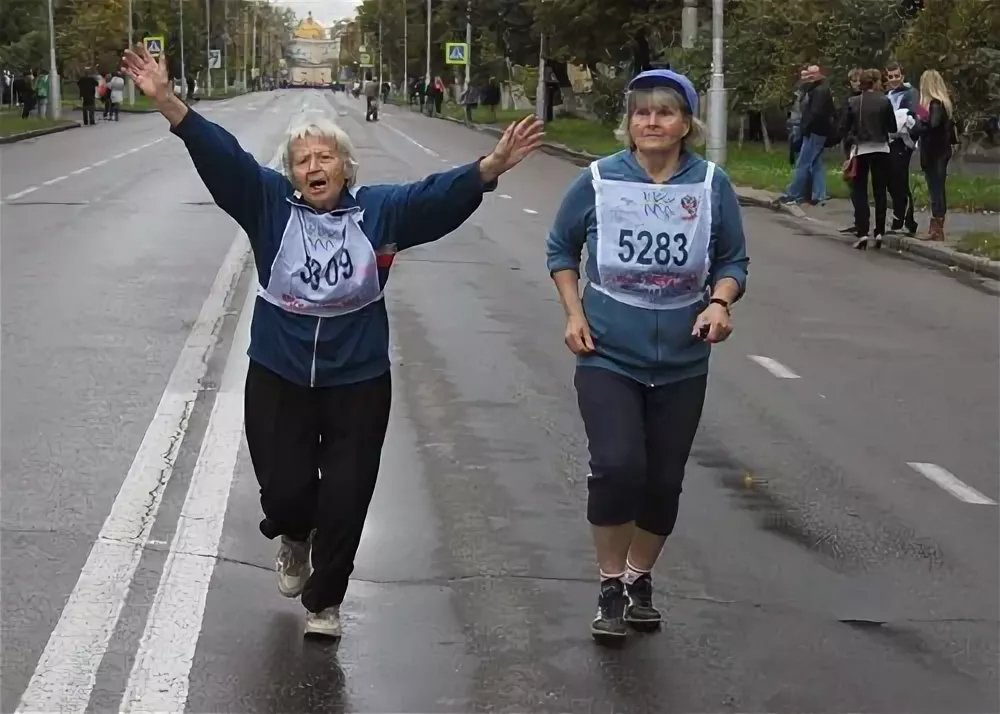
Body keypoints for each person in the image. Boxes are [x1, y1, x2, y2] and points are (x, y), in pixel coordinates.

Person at [121, 43, 543, 639]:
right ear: (291, 173)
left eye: (325, 157)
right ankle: (293, 535)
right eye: (302, 161)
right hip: (279, 372)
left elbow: (434, 197)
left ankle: (326, 602)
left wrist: (487, 169)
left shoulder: (379, 212)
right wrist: (169, 103)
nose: (314, 167)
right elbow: (224, 158)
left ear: (346, 167)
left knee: (346, 497)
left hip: (358, 378)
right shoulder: (267, 203)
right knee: (290, 493)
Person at [545, 69, 749, 644]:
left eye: (665, 112)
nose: (651, 122)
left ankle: (639, 578)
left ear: (687, 122)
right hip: (608, 350)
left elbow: (734, 260)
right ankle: (610, 583)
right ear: (628, 124)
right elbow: (561, 247)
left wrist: (719, 303)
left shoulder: (711, 184)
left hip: (684, 359)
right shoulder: (597, 180)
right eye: (641, 113)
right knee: (617, 467)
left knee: (662, 481)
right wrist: (574, 312)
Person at [840, 68, 897, 250]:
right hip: (882, 148)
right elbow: (892, 127)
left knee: (860, 192)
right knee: (880, 190)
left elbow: (845, 127)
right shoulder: (885, 101)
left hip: (861, 150)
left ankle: (863, 232)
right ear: (876, 82)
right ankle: (879, 231)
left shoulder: (853, 102)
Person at [910, 70, 958, 242]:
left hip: (935, 152)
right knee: (935, 188)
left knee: (936, 189)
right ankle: (936, 226)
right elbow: (924, 122)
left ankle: (936, 229)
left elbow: (930, 126)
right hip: (938, 151)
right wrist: (917, 114)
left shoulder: (936, 105)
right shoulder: (938, 104)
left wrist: (913, 128)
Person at [780, 64, 835, 206]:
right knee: (815, 163)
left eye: (812, 74)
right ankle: (820, 194)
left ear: (818, 74)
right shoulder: (817, 89)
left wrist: (805, 127)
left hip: (814, 131)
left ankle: (793, 194)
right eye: (808, 74)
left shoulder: (819, 90)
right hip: (818, 130)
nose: (809, 77)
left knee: (803, 163)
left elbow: (815, 113)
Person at [884, 62, 919, 236]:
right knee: (891, 180)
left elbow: (910, 115)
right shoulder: (888, 94)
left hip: (902, 141)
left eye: (897, 76)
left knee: (900, 180)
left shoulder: (910, 93)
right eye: (890, 77)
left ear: (902, 76)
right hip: (888, 141)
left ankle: (907, 220)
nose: (894, 79)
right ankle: (899, 218)